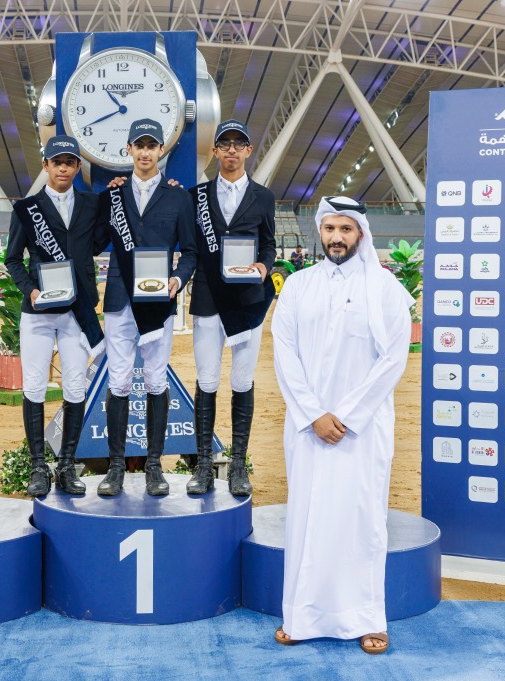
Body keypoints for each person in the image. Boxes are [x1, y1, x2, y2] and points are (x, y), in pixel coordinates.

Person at [271, 195, 412, 655]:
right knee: (307, 519)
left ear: (361, 234)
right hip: (308, 427)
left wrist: (347, 418)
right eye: (329, 229)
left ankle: (368, 618)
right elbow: (285, 354)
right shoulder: (297, 286)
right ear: (320, 232)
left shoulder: (386, 288)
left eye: (345, 230)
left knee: (362, 520)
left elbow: (393, 359)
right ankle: (301, 616)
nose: (336, 238)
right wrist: (314, 414)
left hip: (362, 431)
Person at [96, 118, 198, 497]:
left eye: (151, 146)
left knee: (156, 380)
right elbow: (93, 241)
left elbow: (190, 250)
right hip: (120, 299)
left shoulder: (178, 197)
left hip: (158, 300)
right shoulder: (113, 196)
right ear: (128, 150)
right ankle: (116, 468)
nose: (144, 152)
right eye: (138, 145)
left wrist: (179, 278)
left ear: (160, 151)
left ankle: (155, 466)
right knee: (118, 380)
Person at [5, 136, 106, 498]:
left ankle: (66, 466)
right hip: (39, 312)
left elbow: (97, 244)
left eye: (69, 162)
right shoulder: (27, 210)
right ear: (46, 165)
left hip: (77, 313)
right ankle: (37, 467)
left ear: (78, 167)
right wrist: (32, 289)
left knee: (75, 387)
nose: (63, 168)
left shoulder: (93, 206)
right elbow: (12, 260)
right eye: (56, 161)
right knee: (33, 386)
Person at [185, 119, 276, 496]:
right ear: (216, 151)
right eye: (226, 144)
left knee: (241, 381)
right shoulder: (196, 197)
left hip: (247, 304)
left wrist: (263, 267)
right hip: (208, 300)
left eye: (240, 144)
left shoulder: (264, 197)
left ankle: (238, 465)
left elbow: (269, 245)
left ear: (248, 151)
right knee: (207, 381)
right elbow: (191, 248)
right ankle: (204, 465)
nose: (233, 150)